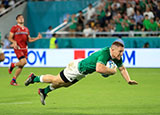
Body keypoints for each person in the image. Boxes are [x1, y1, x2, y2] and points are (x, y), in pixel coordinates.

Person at [25, 39, 138, 105]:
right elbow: (99, 68)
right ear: (113, 49)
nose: (122, 54)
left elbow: (122, 68)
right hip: (76, 68)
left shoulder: (116, 57)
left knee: (66, 85)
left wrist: (128, 80)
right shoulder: (105, 53)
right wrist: (112, 71)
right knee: (56, 80)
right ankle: (34, 78)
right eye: (120, 51)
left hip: (82, 73)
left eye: (123, 51)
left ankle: (43, 91)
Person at [8, 14, 42, 86]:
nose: (21, 19)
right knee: (23, 62)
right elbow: (10, 37)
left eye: (22, 18)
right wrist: (14, 42)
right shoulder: (14, 28)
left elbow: (29, 40)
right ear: (17, 20)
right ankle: (13, 64)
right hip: (18, 48)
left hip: (25, 49)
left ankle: (13, 80)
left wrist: (37, 38)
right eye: (19, 18)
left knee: (21, 65)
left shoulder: (26, 29)